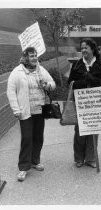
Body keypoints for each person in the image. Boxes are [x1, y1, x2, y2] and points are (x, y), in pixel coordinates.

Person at [7, 47, 56, 181]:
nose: (34, 58)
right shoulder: (17, 72)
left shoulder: (41, 70)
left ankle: (35, 161)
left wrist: (47, 85)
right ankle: (23, 167)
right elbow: (11, 92)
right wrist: (16, 109)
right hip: (25, 111)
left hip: (39, 110)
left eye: (35, 55)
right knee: (27, 138)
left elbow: (53, 84)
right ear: (25, 57)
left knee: (38, 137)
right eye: (31, 55)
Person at [68, 38, 101, 168]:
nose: (83, 50)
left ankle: (90, 158)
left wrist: (93, 79)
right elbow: (70, 83)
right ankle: (79, 158)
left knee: (93, 131)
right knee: (80, 131)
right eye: (82, 48)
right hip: (81, 103)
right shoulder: (77, 65)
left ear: (92, 48)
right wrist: (83, 83)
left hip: (96, 103)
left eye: (86, 47)